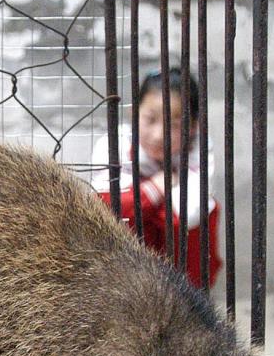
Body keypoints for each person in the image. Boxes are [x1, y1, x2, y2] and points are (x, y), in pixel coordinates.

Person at [90, 68, 221, 289]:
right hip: (124, 265)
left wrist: (138, 199)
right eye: (150, 119)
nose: (159, 135)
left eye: (175, 125)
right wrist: (155, 188)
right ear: (134, 114)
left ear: (193, 127)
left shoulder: (198, 148)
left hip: (179, 266)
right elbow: (104, 207)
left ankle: (188, 297)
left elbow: (189, 214)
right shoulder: (116, 143)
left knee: (202, 214)